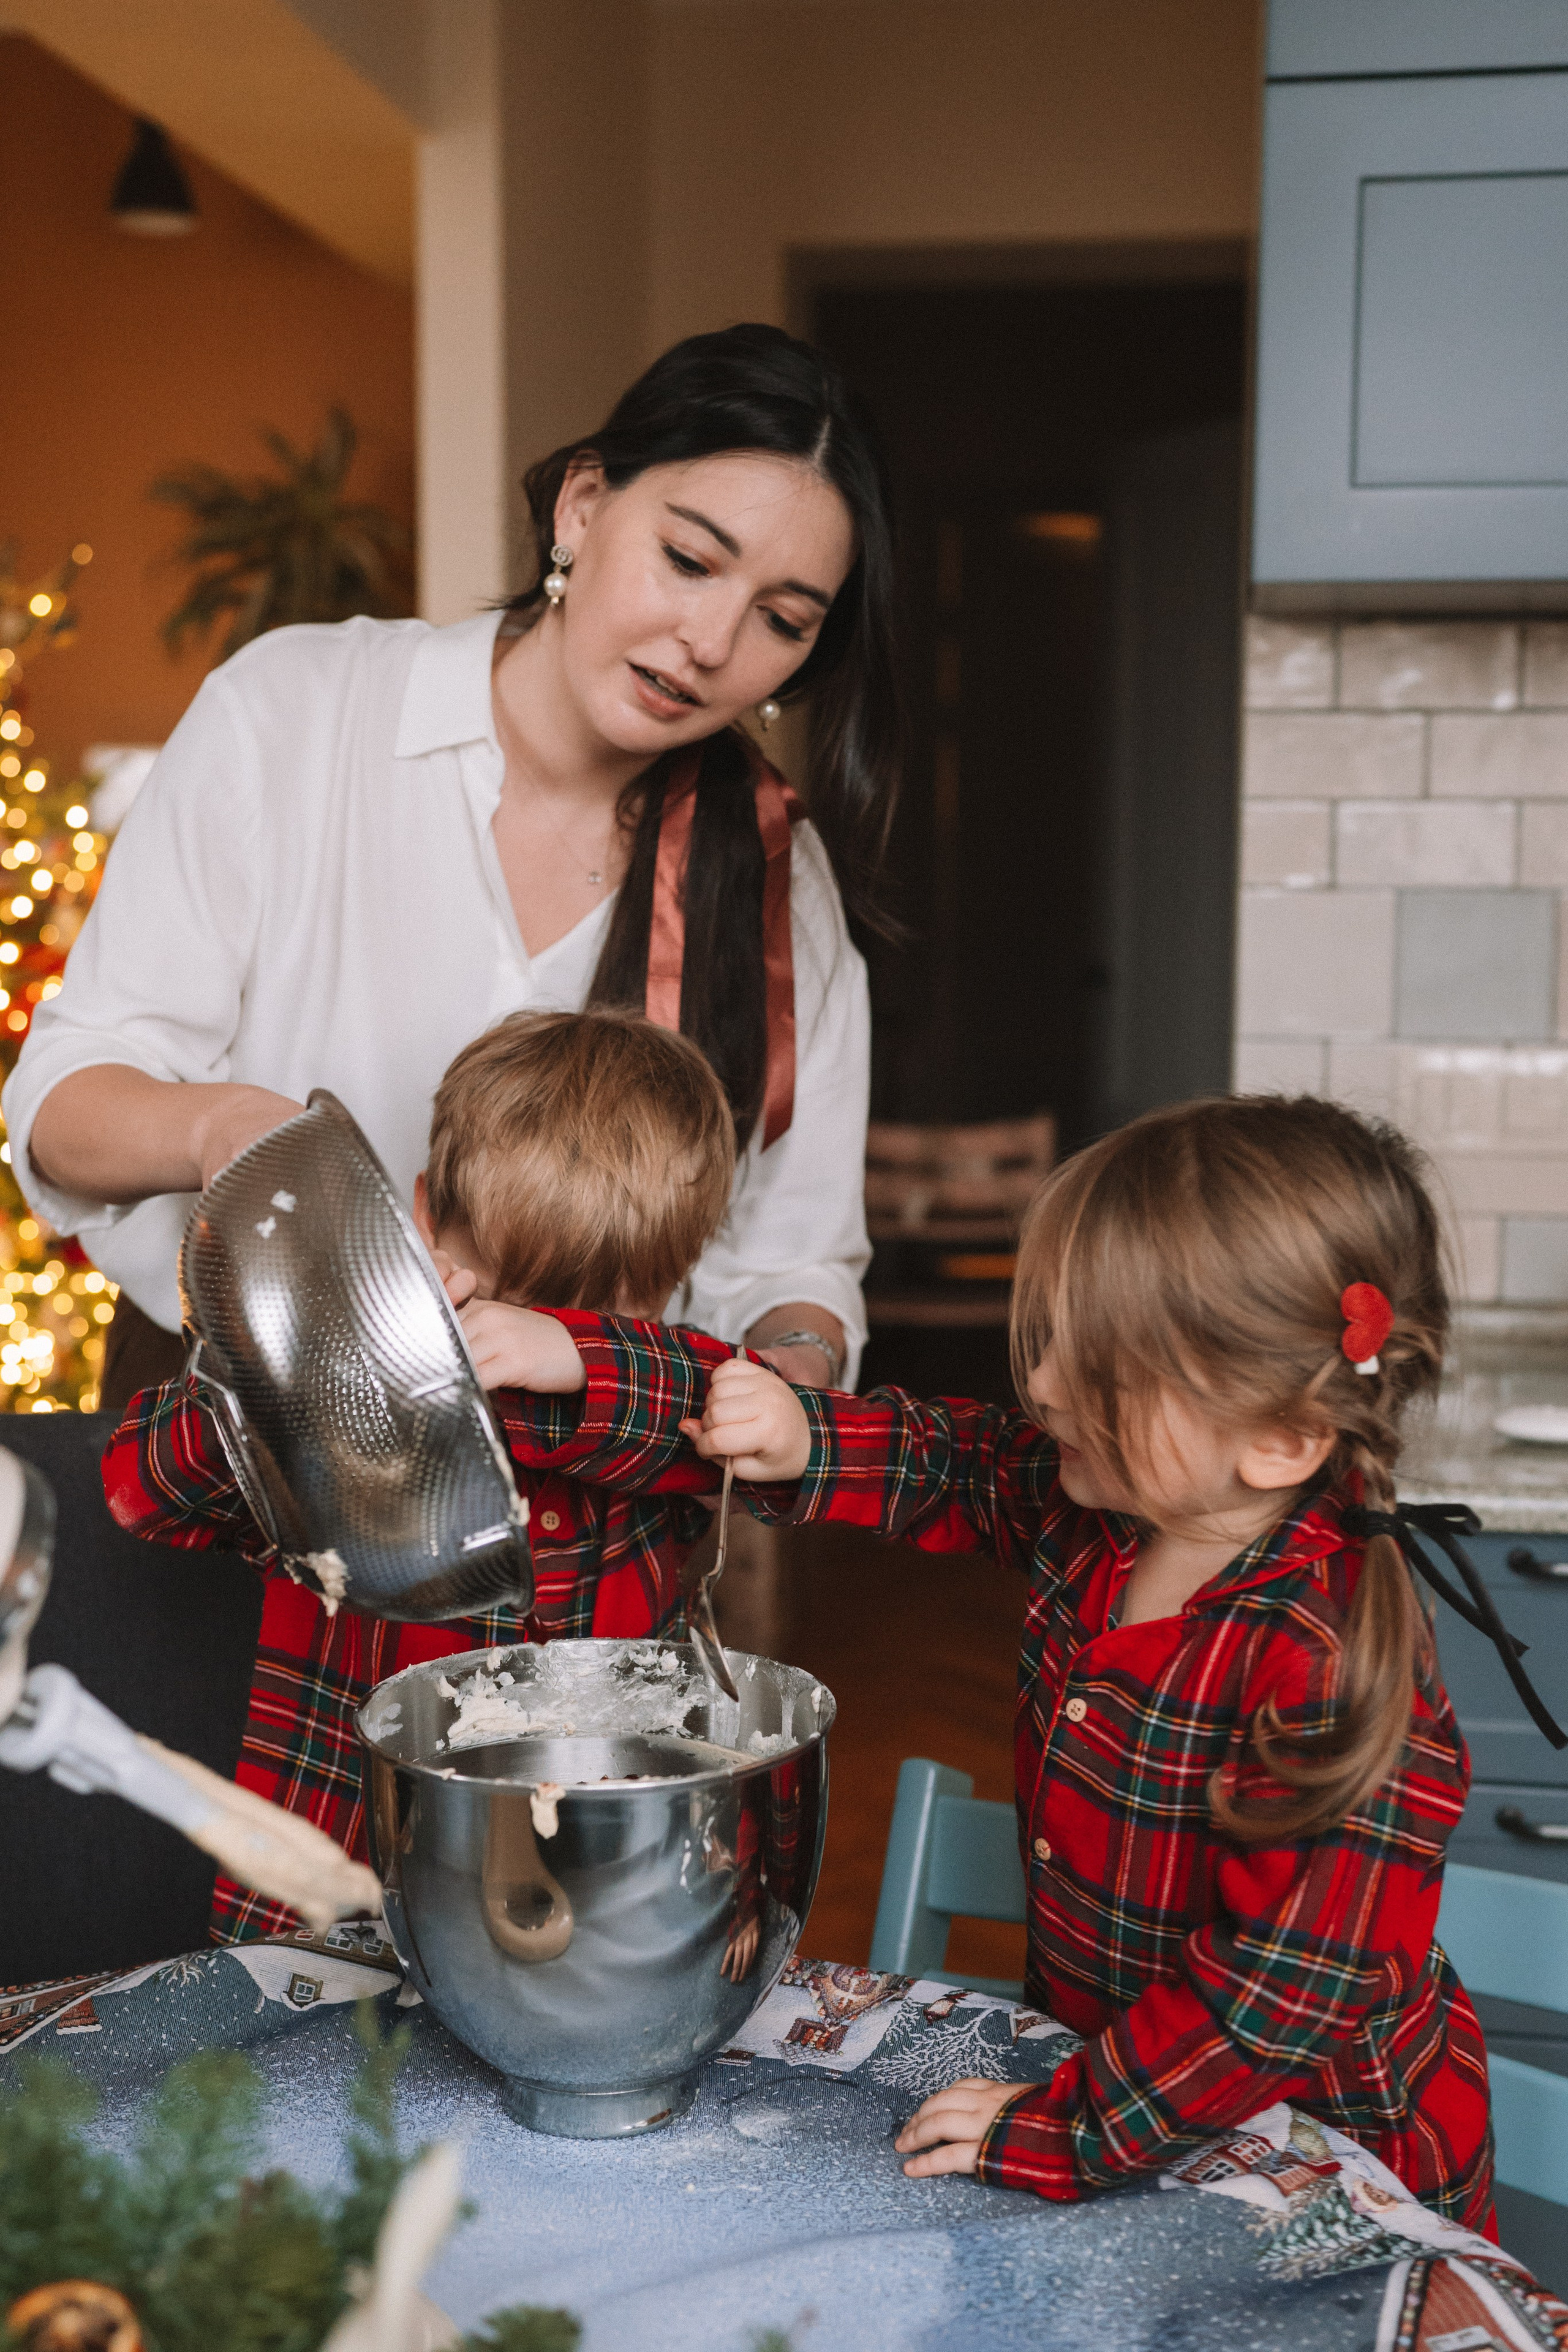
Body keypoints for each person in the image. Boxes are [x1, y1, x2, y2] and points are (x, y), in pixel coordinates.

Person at [414, 1094, 1528, 2231]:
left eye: (1101, 1370)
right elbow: (936, 1456)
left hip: (1329, 2173)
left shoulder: (1325, 1668)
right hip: (1126, 2120)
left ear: (1280, 1440)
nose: (1044, 1388)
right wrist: (792, 1428)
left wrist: (1077, 2125)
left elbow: (1279, 1998)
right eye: (1052, 1343)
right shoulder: (1098, 1507)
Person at [6, 323, 900, 1409]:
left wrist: (794, 1370)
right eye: (689, 559)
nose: (713, 641)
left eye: (781, 619)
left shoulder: (768, 872)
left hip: (578, 1502)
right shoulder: (297, 712)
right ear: (581, 507)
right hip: (222, 1434)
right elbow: (61, 1106)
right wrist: (228, 1129)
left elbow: (792, 1265)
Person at [101, 1008, 740, 1943]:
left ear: (676, 1275)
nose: (509, 1348)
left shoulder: (668, 1404)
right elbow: (138, 1487)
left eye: (573, 1317)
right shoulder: (337, 1396)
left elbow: (720, 1397)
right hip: (332, 1916)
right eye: (501, 1297)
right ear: (422, 1213)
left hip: (592, 1924)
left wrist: (572, 1359)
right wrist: (303, 1358)